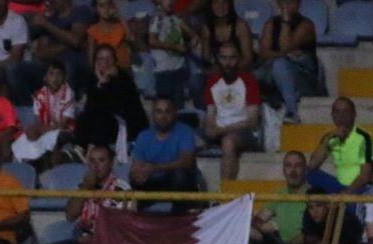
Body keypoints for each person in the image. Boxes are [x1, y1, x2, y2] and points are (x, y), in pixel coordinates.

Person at [29, 142, 131, 244]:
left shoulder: (120, 188)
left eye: (101, 161)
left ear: (111, 163)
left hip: (109, 243)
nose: (96, 166)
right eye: (92, 161)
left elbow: (117, 225)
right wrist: (84, 188)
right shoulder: (84, 184)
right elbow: (70, 215)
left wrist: (96, 238)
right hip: (83, 239)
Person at [204, 42, 262, 183]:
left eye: (232, 58)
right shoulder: (213, 81)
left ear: (239, 59)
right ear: (218, 59)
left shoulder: (248, 81)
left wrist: (223, 129)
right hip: (219, 129)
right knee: (189, 140)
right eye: (224, 58)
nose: (228, 63)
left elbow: (252, 121)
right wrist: (211, 128)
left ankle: (224, 194)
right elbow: (210, 115)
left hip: (243, 132)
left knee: (228, 142)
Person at [70, 43, 145, 151]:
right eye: (100, 59)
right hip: (103, 123)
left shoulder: (123, 78)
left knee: (101, 116)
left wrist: (104, 85)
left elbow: (115, 107)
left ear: (115, 60)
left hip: (125, 124)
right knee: (84, 117)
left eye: (109, 58)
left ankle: (92, 149)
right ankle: (79, 149)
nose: (105, 62)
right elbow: (90, 107)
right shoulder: (93, 79)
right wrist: (100, 83)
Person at [255, 0, 320, 124]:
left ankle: (292, 111)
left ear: (298, 4)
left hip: (302, 78)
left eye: (291, 2)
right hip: (273, 72)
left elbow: (285, 46)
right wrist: (283, 55)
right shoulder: (271, 24)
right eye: (284, 2)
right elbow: (263, 53)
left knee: (280, 65)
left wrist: (285, 21)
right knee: (251, 74)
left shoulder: (306, 25)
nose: (287, 5)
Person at [129, 95, 202, 196]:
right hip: (154, 183)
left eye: (167, 111)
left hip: (178, 183)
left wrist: (155, 168)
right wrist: (137, 174)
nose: (163, 116)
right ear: (152, 114)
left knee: (181, 176)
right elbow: (136, 168)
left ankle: (178, 212)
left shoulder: (185, 131)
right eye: (158, 111)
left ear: (175, 113)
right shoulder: (143, 135)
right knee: (135, 180)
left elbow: (187, 162)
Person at [308, 96, 373, 192]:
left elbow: (366, 175)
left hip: (361, 188)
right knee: (308, 174)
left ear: (354, 114)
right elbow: (312, 165)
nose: (341, 116)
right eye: (337, 112)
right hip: (339, 187)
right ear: (332, 115)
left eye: (346, 111)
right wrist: (328, 139)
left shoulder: (363, 138)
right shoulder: (331, 138)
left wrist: (345, 194)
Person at [147, 0, 196, 104]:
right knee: (166, 104)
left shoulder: (176, 18)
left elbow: (193, 35)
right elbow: (152, 40)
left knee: (178, 105)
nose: (169, 2)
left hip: (179, 69)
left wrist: (189, 45)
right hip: (164, 71)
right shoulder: (157, 18)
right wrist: (174, 47)